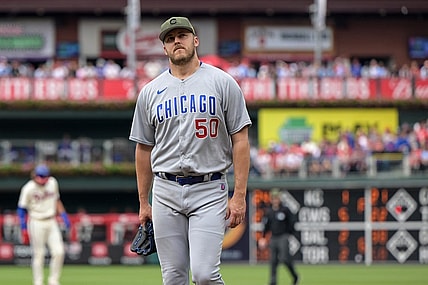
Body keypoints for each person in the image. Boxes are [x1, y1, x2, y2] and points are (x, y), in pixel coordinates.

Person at [129, 16, 252, 285]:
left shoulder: (223, 82)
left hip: (209, 187)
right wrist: (143, 202)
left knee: (205, 275)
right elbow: (143, 149)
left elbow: (240, 140)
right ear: (164, 48)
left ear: (195, 41)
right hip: (165, 190)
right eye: (170, 39)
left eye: (182, 36)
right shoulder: (150, 92)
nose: (177, 42)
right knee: (173, 278)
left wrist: (239, 195)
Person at [17, 164, 71, 285]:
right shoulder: (28, 188)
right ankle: (38, 282)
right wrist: (23, 227)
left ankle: (53, 280)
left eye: (45, 176)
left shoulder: (52, 183)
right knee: (38, 254)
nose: (43, 179)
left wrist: (64, 216)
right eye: (40, 176)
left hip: (51, 220)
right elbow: (21, 209)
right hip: (36, 221)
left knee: (59, 251)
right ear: (35, 176)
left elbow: (57, 200)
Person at [259, 189, 299, 285]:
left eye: (277, 198)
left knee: (285, 258)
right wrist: (263, 237)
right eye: (273, 198)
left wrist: (290, 234)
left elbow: (292, 222)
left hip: (283, 237)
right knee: (273, 261)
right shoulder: (269, 211)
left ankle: (294, 276)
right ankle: (273, 282)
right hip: (273, 237)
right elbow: (266, 226)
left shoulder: (285, 210)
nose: (275, 200)